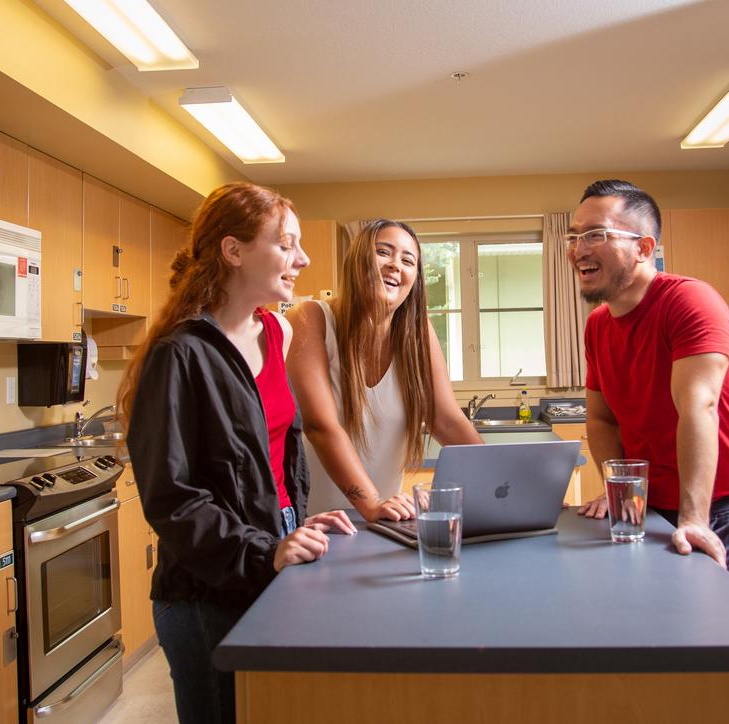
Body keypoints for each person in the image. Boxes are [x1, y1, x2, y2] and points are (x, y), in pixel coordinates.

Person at [117, 182, 355, 724]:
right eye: (287, 243)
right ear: (234, 250)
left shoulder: (275, 331)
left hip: (268, 562)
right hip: (207, 593)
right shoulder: (180, 355)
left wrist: (298, 521)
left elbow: (270, 455)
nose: (304, 257)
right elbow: (172, 498)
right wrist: (261, 551)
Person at [569, 179, 729, 591]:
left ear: (644, 247)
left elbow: (698, 407)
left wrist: (694, 519)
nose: (578, 249)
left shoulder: (689, 301)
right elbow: (602, 418)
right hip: (646, 509)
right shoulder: (597, 326)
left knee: (721, 647)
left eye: (595, 235)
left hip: (719, 508)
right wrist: (615, 492)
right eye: (574, 236)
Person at [287, 219, 482, 522]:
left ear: (414, 279)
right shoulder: (311, 318)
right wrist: (373, 504)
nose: (395, 265)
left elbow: (445, 420)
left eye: (408, 260)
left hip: (382, 524)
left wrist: (504, 482)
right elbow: (320, 425)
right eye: (383, 252)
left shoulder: (418, 334)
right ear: (356, 262)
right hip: (315, 526)